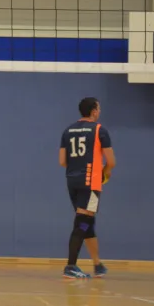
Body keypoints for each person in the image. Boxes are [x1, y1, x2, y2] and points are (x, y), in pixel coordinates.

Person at [59, 97, 115, 279]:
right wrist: (105, 173)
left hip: (72, 181)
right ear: (93, 111)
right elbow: (111, 161)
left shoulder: (68, 131)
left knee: (87, 221)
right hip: (90, 182)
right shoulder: (99, 130)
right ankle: (70, 266)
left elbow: (62, 161)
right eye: (99, 108)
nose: (100, 111)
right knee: (82, 222)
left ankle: (97, 264)